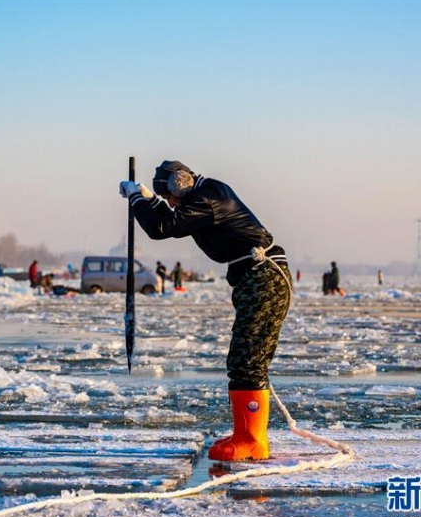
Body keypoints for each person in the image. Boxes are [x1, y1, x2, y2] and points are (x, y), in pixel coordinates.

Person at [119, 160, 292, 462]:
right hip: (254, 277)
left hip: (264, 277)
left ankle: (252, 440)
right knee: (245, 357)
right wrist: (147, 199)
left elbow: (162, 228)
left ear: (180, 184)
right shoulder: (204, 195)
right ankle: (248, 433)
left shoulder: (208, 198)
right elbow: (172, 220)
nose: (171, 203)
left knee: (247, 359)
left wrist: (138, 201)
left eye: (171, 197)